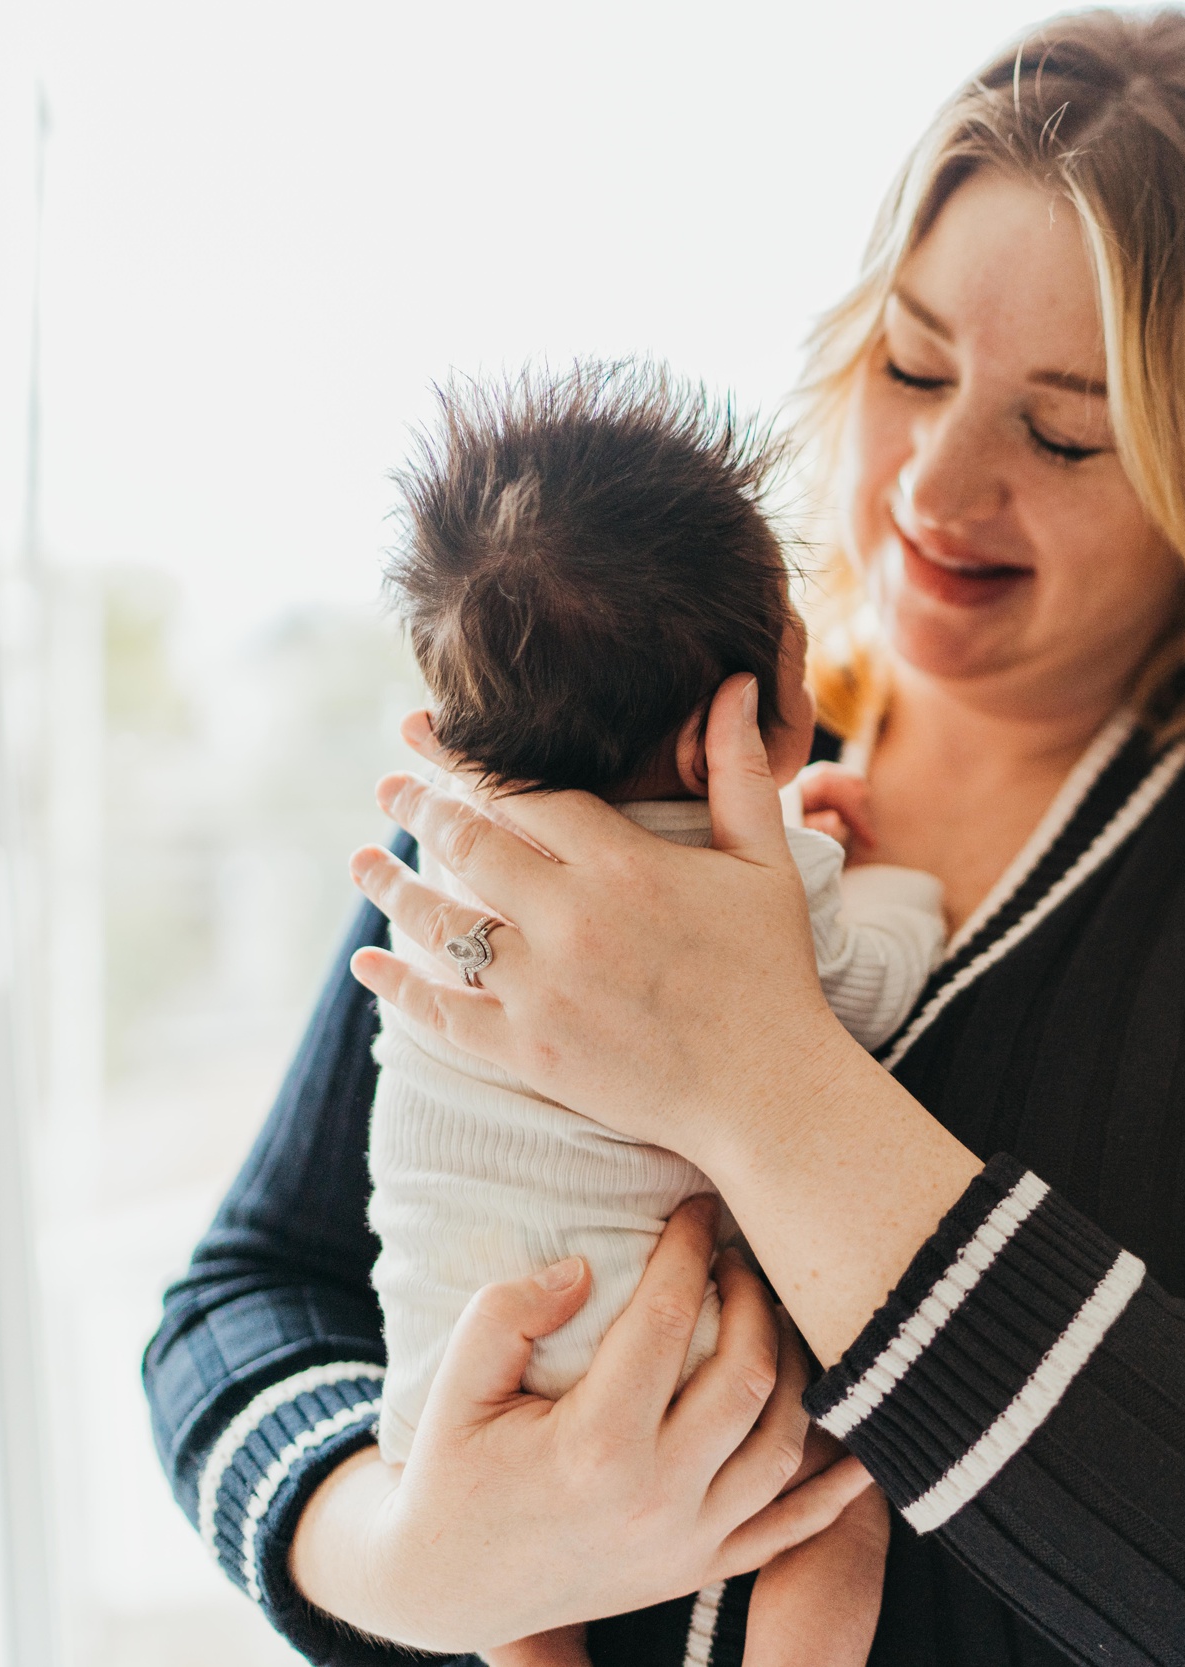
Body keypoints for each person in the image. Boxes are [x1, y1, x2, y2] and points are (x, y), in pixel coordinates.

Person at [142, 10, 1185, 1666]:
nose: (936, 484)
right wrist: (411, 1556)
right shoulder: (626, 734)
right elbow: (245, 1292)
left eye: (1065, 429)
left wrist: (755, 1075)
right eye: (911, 365)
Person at [366, 361, 941, 1667]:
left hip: (455, 1373)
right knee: (840, 1491)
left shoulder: (454, 876)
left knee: (513, 1610)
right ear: (753, 711)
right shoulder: (759, 890)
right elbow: (859, 997)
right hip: (680, 1344)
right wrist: (894, 887)